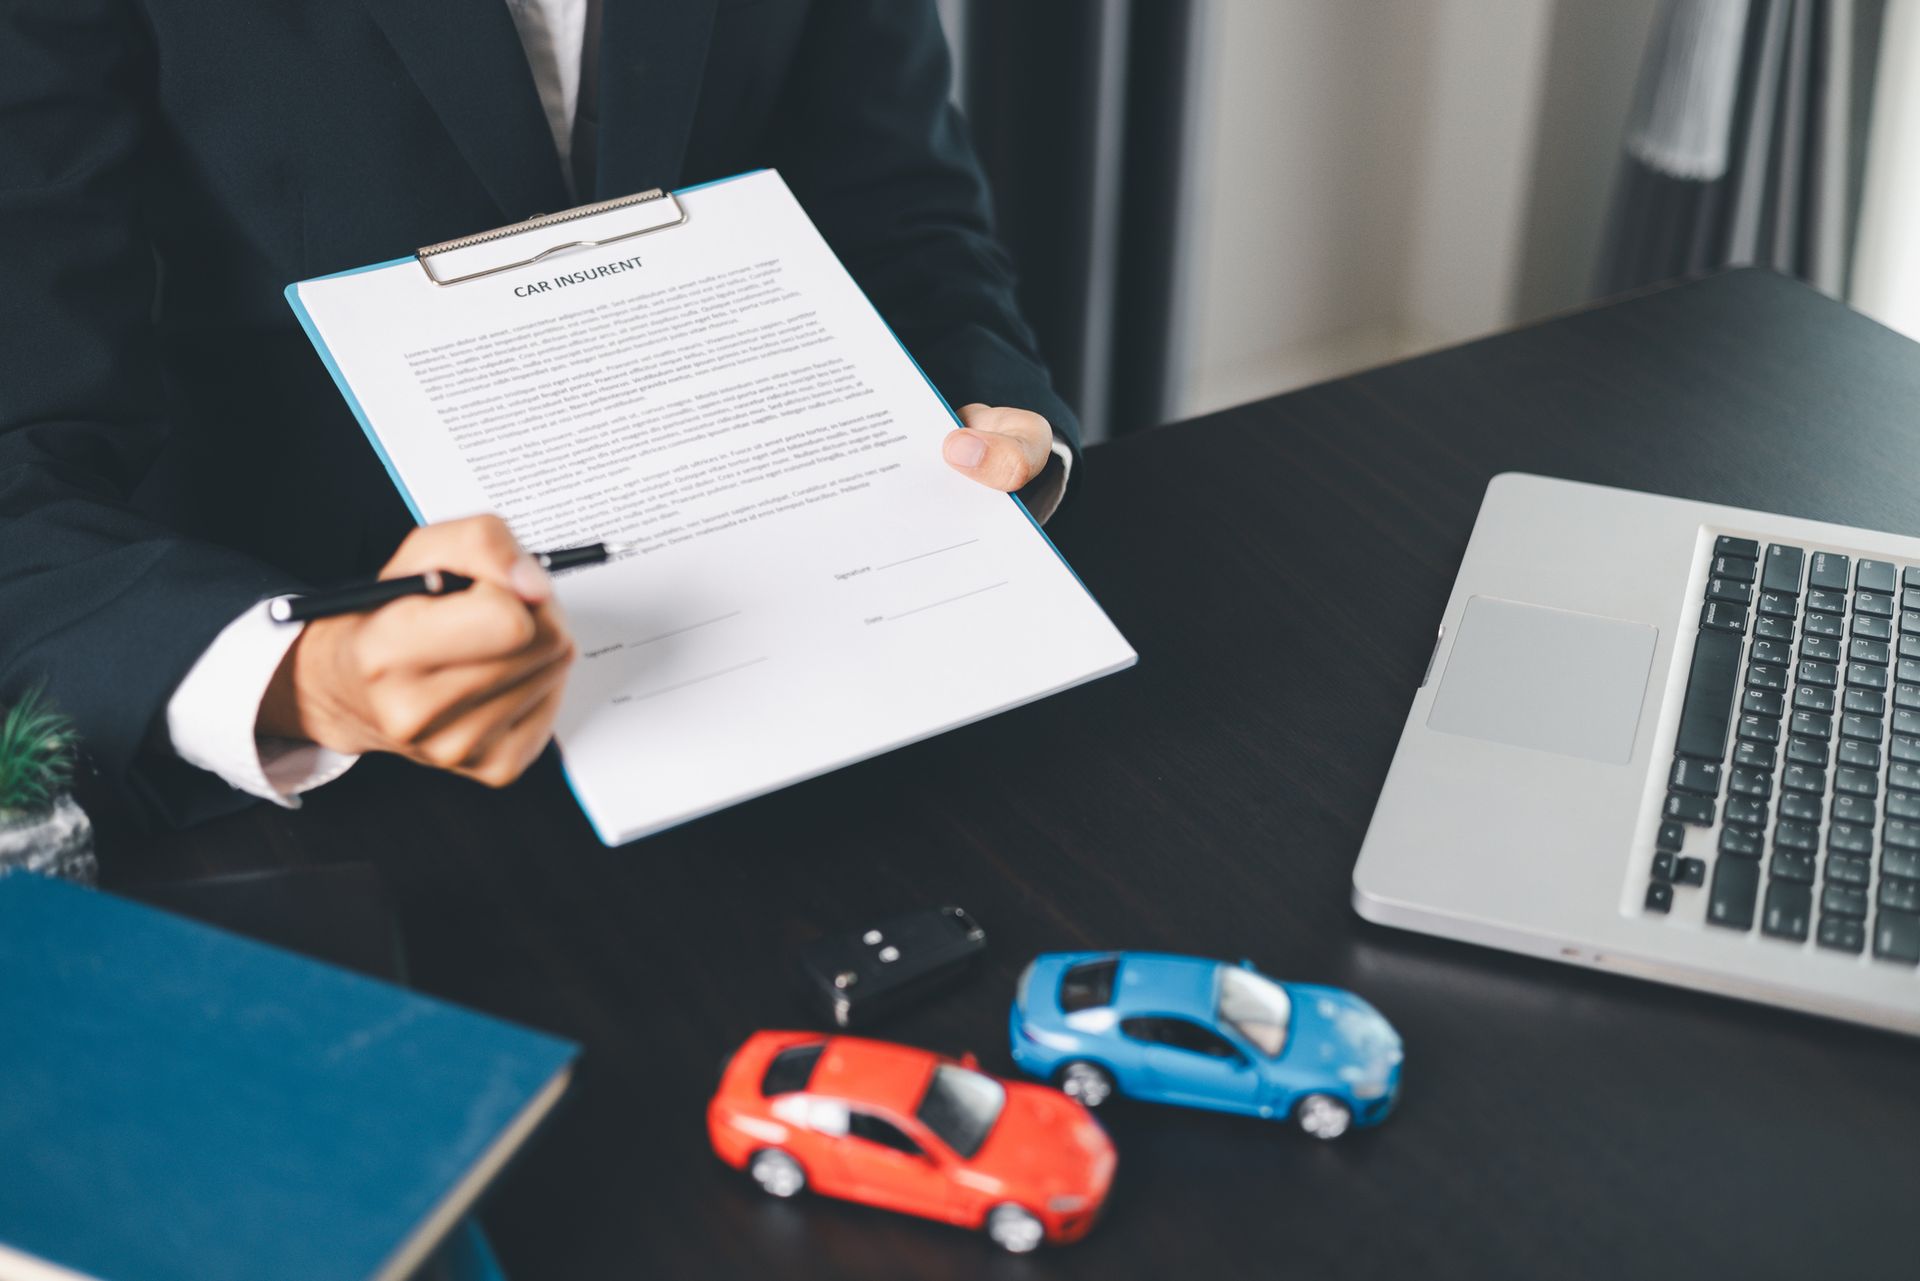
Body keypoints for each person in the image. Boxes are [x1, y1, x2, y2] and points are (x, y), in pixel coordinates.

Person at [0, 1, 1076, 829]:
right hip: (324, 775)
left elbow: (901, 218)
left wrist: (997, 414)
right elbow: (21, 449)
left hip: (814, 669)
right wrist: (306, 679)